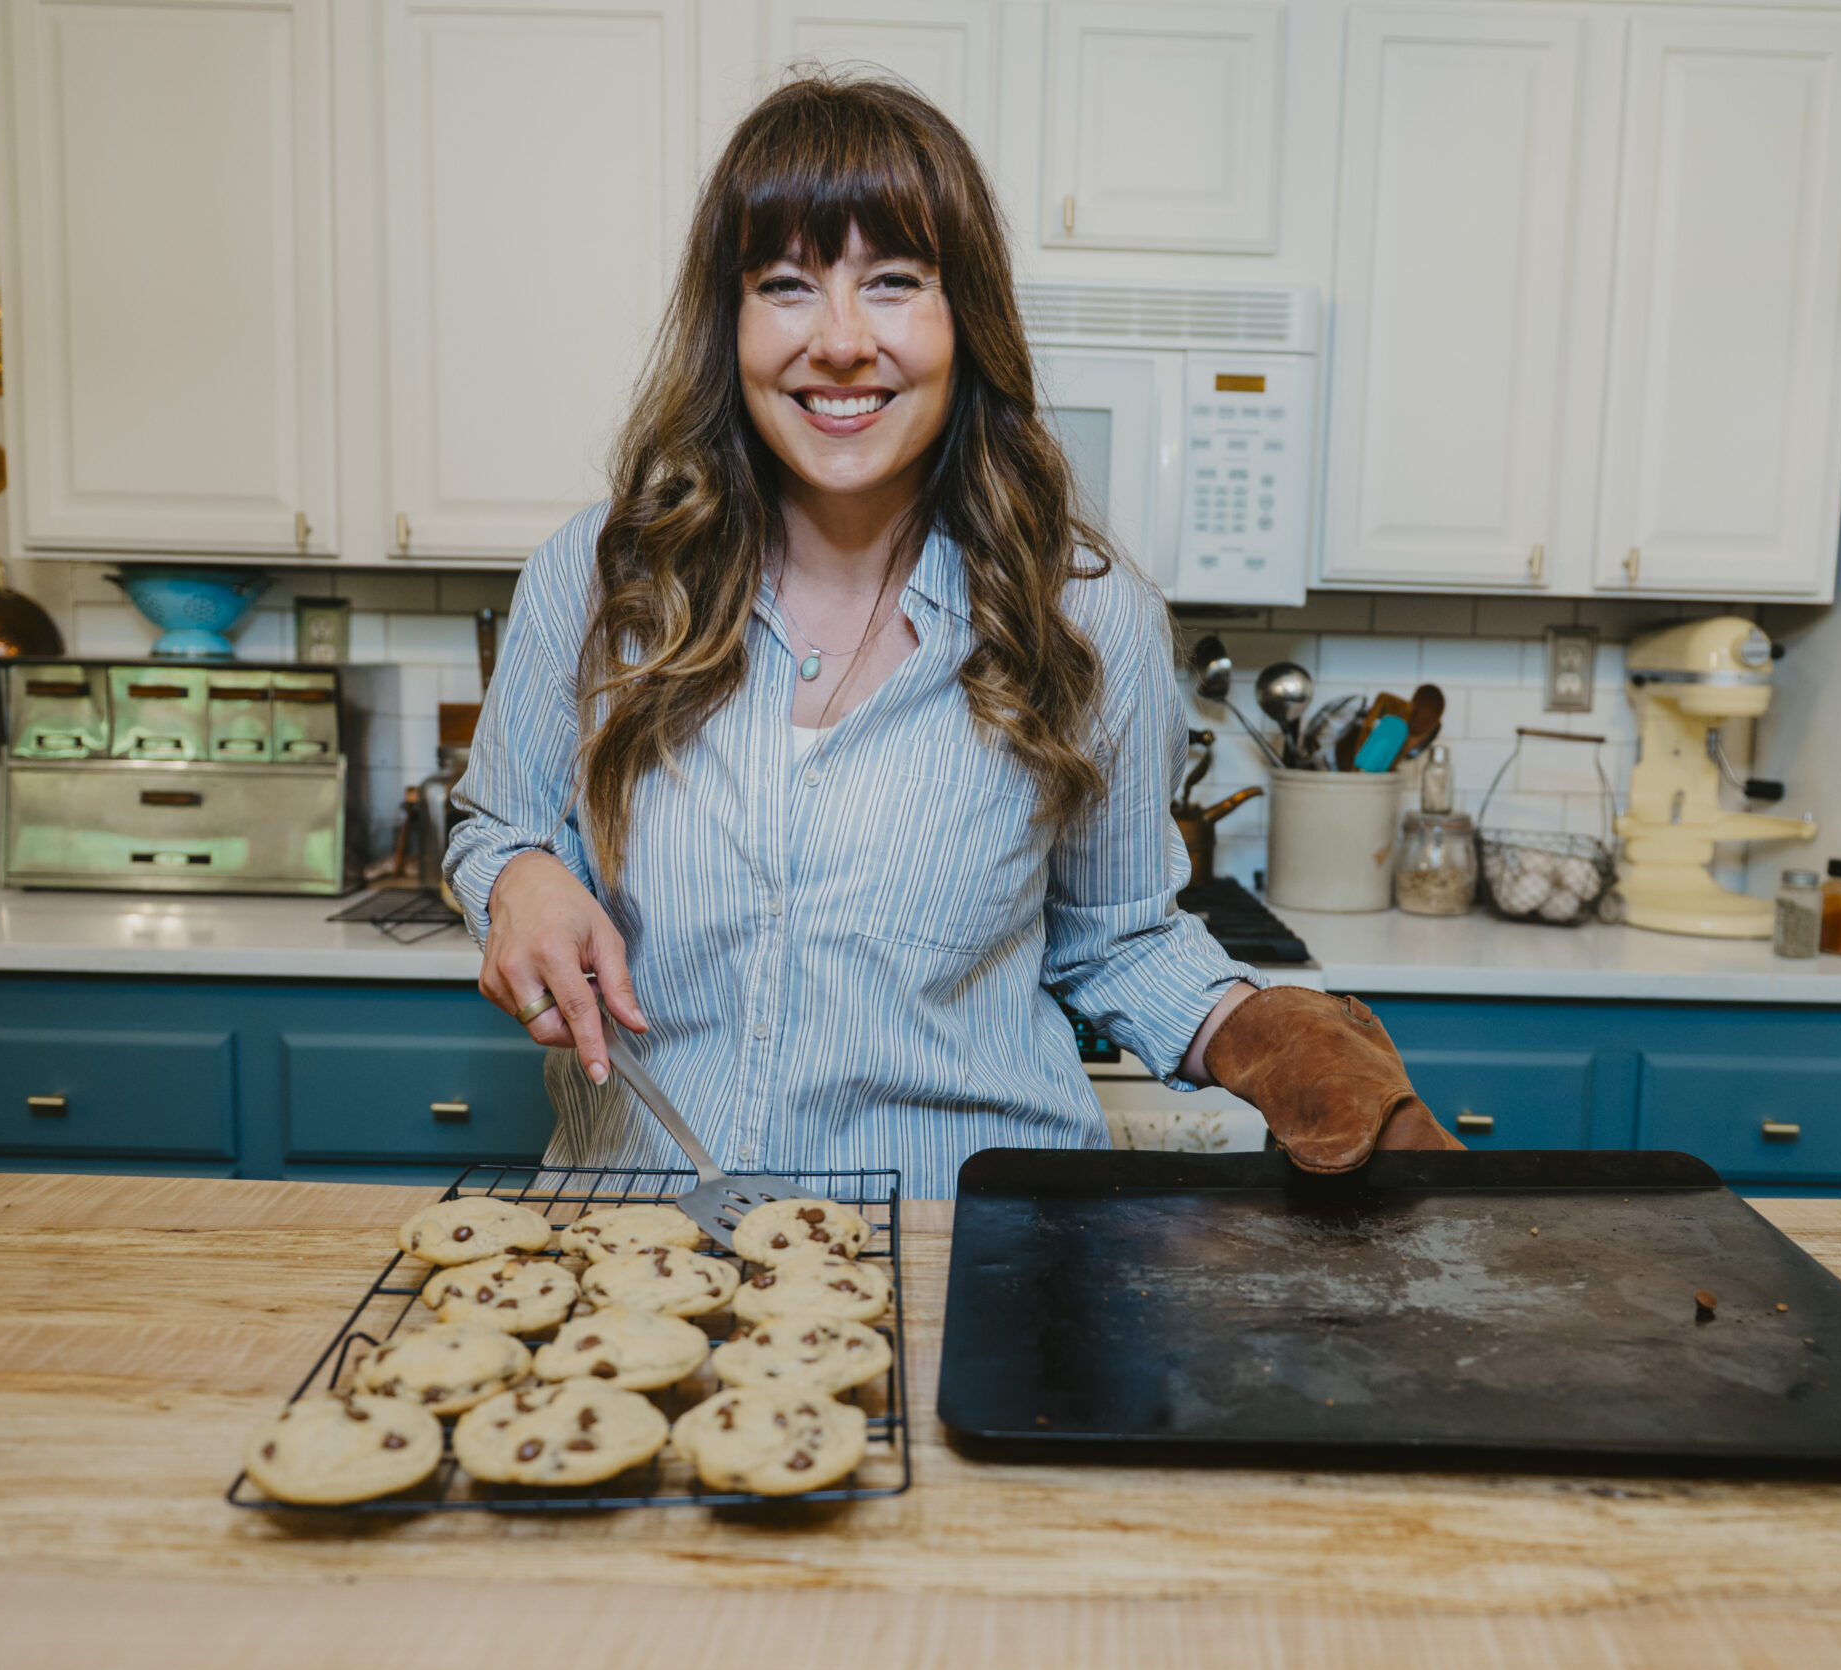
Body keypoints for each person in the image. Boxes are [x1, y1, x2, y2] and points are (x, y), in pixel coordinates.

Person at [445, 73, 1454, 1198]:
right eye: (784, 284)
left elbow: (1116, 935)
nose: (838, 341)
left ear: (962, 314)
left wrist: (1266, 1032)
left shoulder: (1084, 616)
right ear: (727, 325)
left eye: (892, 283)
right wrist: (519, 875)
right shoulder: (599, 580)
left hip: (957, 1247)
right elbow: (495, 824)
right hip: (638, 1243)